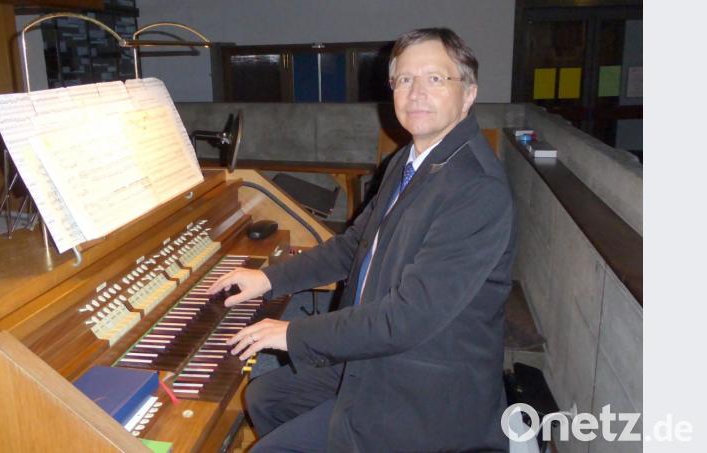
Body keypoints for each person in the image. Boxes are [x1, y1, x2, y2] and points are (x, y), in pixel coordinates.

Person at [207, 27, 516, 452]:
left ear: (468, 94)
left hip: (426, 390)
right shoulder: (408, 160)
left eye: (435, 78)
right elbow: (355, 245)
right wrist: (269, 280)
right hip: (383, 357)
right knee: (266, 395)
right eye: (404, 79)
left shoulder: (476, 188)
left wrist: (293, 333)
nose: (416, 92)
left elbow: (408, 319)